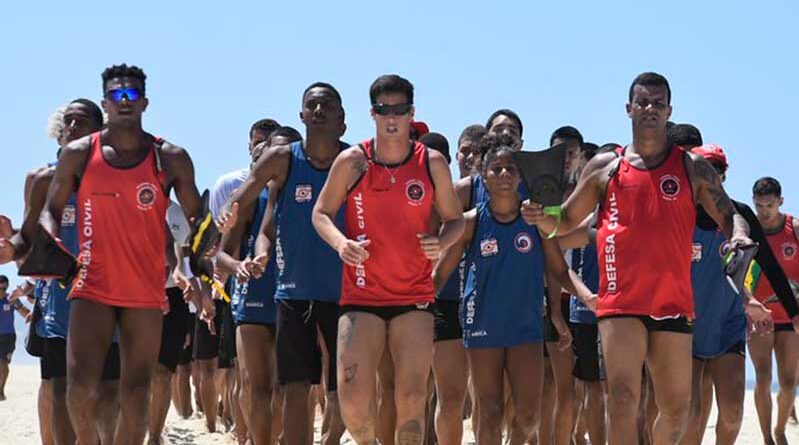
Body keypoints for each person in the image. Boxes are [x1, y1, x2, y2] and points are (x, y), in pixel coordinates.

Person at [522, 72, 752, 444]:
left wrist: (739, 235)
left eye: (658, 104)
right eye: (643, 102)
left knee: (677, 411)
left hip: (674, 300)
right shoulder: (605, 167)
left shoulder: (692, 167)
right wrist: (541, 218)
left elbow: (730, 215)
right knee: (623, 398)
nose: (650, 109)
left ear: (669, 110)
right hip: (620, 300)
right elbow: (564, 219)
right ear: (629, 108)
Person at [11, 64, 229, 445]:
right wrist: (49, 238)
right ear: (105, 103)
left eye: (131, 95)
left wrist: (205, 238)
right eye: (116, 95)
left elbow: (196, 214)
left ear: (144, 102)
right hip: (90, 282)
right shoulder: (79, 154)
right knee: (78, 390)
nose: (123, 101)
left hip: (143, 290)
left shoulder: (170, 157)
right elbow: (51, 206)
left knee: (135, 393)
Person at [312, 74, 464, 445]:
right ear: (372, 113)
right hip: (362, 295)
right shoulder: (353, 161)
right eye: (384, 110)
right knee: (352, 400)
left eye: (399, 110)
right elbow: (321, 213)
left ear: (412, 113)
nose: (391, 117)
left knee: (412, 397)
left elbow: (456, 220)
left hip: (413, 296)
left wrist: (440, 242)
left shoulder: (431, 162)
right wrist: (341, 243)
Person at [433, 142, 588, 445]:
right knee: (489, 411)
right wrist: (418, 305)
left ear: (521, 177)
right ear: (484, 176)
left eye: (511, 168)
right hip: (483, 326)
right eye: (496, 169)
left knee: (529, 415)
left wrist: (587, 296)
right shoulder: (470, 222)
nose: (504, 174)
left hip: (526, 326)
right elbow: (440, 273)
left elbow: (558, 270)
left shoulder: (536, 221)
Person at [222, 82, 349, 445]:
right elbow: (249, 206)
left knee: (346, 388)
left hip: (347, 292)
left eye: (327, 105)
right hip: (294, 292)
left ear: (342, 118)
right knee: (295, 387)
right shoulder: (283, 159)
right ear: (302, 115)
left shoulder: (355, 160)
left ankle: (331, 440)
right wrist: (235, 227)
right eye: (312, 105)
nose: (320, 110)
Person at [216, 126, 302, 445]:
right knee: (255, 386)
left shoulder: (314, 190)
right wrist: (239, 266)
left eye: (287, 151)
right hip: (253, 295)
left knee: (286, 386)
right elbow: (221, 255)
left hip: (295, 295)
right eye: (272, 151)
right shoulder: (252, 197)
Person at [750, 176, 799, 445]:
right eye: (759, 206)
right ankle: (768, 437)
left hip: (791, 317)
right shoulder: (748, 230)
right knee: (762, 377)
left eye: (769, 205)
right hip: (759, 317)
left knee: (790, 382)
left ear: (780, 201)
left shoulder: (794, 228)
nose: (764, 212)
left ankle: (781, 429)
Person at [147, 201, 193, 445]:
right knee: (134, 373)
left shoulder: (178, 211)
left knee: (163, 373)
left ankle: (154, 437)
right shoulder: (129, 198)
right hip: (137, 292)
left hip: (174, 295)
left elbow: (186, 249)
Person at [0, 275, 31, 401]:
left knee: (3, 363)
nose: (2, 288)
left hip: (8, 336)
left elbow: (26, 314)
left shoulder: (11, 299)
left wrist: (33, 317)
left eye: (4, 285)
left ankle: (1, 390)